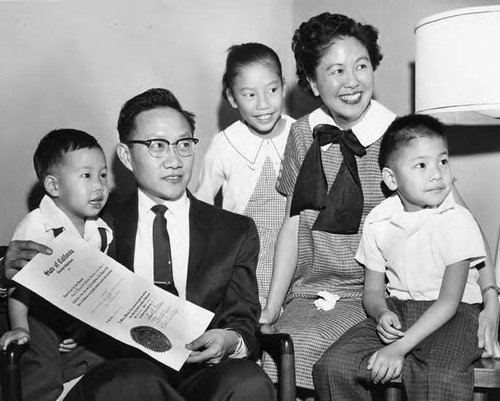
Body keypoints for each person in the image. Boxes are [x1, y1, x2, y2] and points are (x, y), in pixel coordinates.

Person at [259, 12, 500, 395]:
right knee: (273, 347)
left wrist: (491, 298)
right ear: (311, 81)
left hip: (374, 293)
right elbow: (292, 224)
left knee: (316, 352)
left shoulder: (400, 137)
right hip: (312, 290)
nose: (352, 81)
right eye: (336, 71)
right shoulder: (302, 134)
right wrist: (271, 307)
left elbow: (462, 219)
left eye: (361, 66)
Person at [1, 88, 276, 401]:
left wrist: (230, 340)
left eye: (184, 145)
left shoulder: (234, 231)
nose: (174, 160)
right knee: (134, 381)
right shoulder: (93, 217)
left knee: (249, 382)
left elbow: (244, 322)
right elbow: (39, 263)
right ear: (126, 156)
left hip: (203, 372)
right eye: (157, 146)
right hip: (119, 370)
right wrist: (9, 270)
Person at [313, 114, 491, 400]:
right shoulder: (379, 220)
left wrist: (398, 347)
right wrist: (381, 312)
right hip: (399, 308)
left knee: (439, 376)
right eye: (421, 165)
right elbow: (372, 291)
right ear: (391, 179)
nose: (437, 173)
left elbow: (448, 302)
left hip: (454, 315)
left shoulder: (458, 219)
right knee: (333, 365)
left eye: (443, 161)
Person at [0, 129, 113, 401]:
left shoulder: (101, 231)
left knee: (107, 355)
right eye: (86, 176)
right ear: (53, 186)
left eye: (103, 175)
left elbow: (96, 287)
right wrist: (20, 327)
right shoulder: (37, 226)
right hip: (36, 314)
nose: (98, 185)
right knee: (41, 364)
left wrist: (83, 327)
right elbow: (19, 284)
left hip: (75, 317)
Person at [195, 42, 294, 308]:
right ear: (231, 97)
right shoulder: (225, 143)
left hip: (296, 252)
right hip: (247, 255)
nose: (263, 104)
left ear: (283, 86)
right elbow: (202, 203)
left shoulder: (301, 134)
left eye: (272, 90)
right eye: (249, 95)